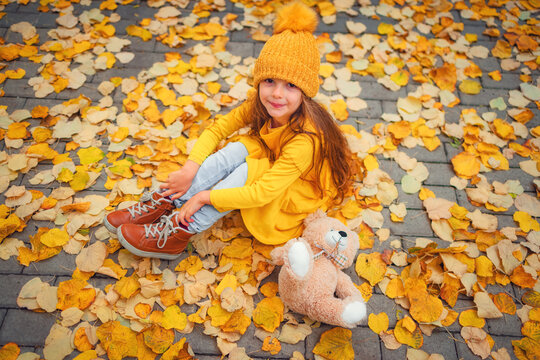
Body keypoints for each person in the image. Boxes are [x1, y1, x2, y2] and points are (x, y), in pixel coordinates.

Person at [103, 2, 353, 260]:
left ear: (306, 92)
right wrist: (190, 170)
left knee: (248, 169)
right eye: (269, 81)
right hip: (273, 161)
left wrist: (205, 197)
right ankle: (166, 201)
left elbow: (263, 192)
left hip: (292, 195)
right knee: (238, 148)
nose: (277, 93)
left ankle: (181, 230)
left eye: (291, 85)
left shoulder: (306, 141)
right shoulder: (260, 104)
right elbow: (217, 129)